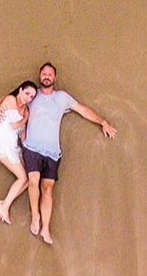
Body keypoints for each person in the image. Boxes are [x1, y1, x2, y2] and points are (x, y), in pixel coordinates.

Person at [20, 62, 116, 245]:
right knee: (33, 181)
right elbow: (13, 101)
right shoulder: (31, 95)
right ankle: (35, 215)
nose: (46, 76)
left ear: (54, 78)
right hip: (31, 147)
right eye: (44, 74)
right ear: (40, 77)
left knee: (47, 189)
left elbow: (82, 110)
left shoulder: (62, 97)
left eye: (50, 74)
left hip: (53, 152)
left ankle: (45, 229)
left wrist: (102, 121)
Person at [0, 81, 37, 223]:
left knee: (30, 178)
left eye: (32, 97)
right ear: (21, 90)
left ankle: (4, 203)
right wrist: (24, 119)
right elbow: (12, 123)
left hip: (13, 147)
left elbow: (22, 135)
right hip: (2, 143)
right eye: (27, 93)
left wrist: (27, 151)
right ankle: (4, 206)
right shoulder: (11, 100)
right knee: (23, 177)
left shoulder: (26, 111)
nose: (28, 98)